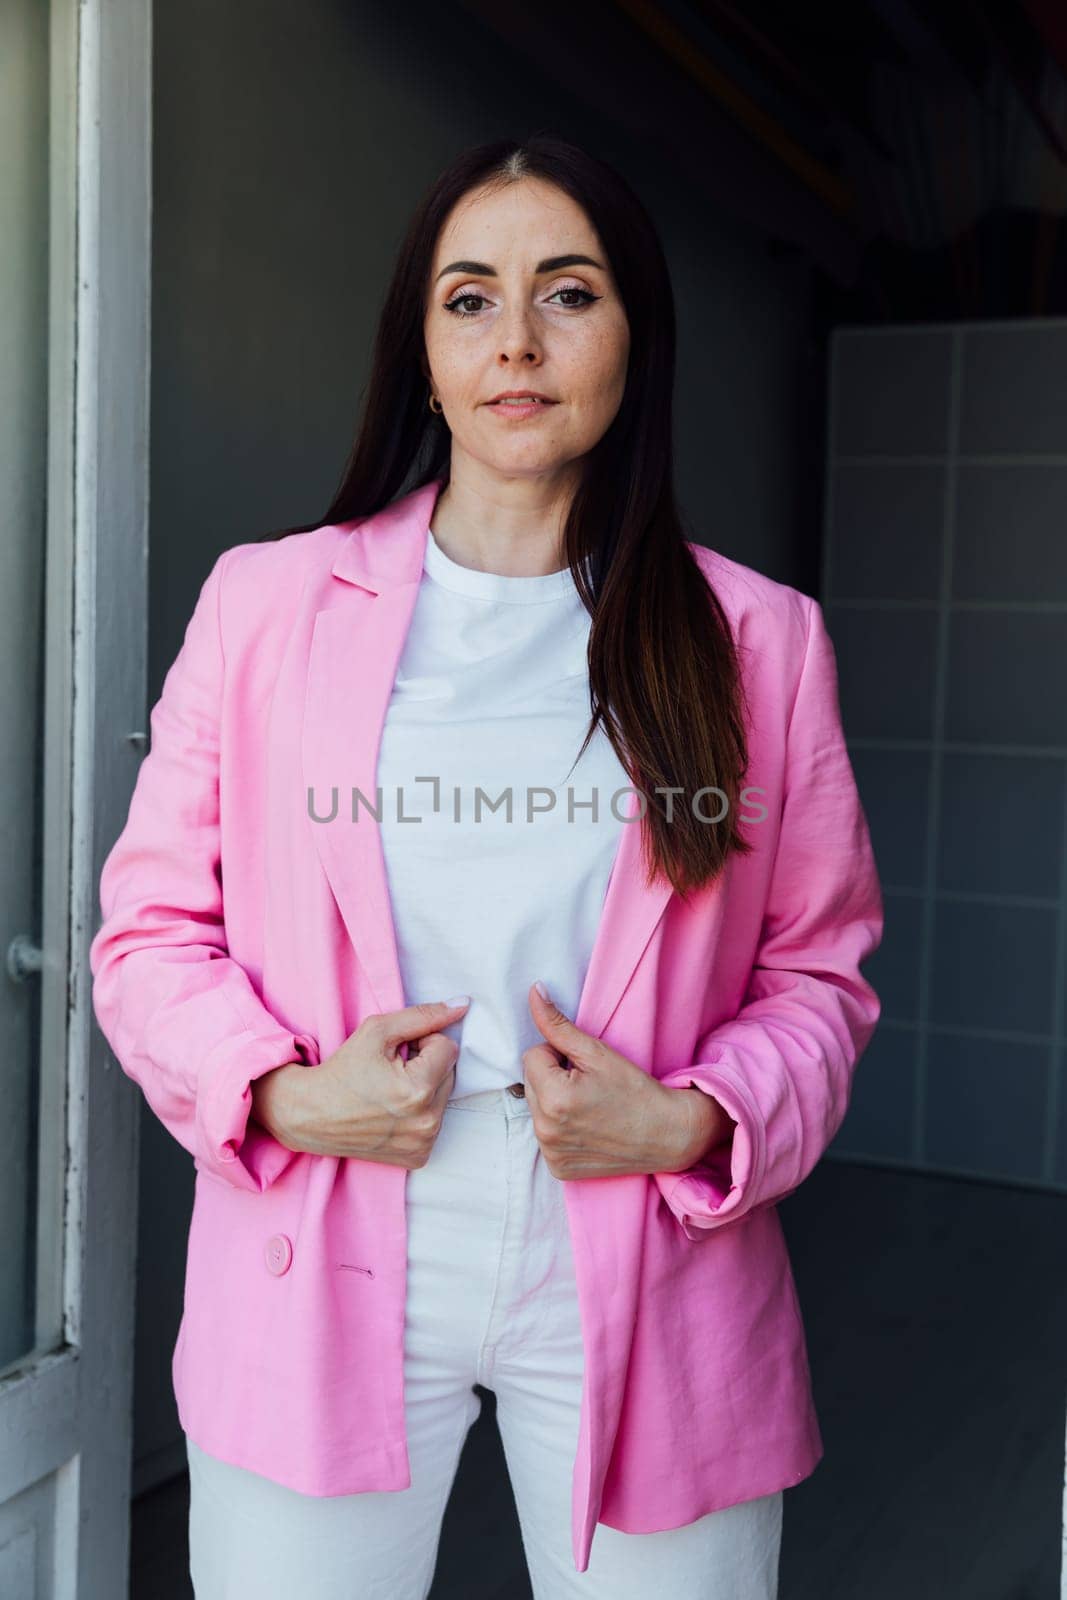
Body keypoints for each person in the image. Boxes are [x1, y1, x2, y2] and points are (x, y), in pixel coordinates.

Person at [89, 133, 883, 1599]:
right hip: (329, 1219)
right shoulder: (265, 608)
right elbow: (146, 933)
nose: (515, 339)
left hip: (647, 1240)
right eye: (470, 298)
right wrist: (281, 1090)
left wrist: (698, 1122)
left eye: (567, 293)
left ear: (635, 334)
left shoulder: (757, 641)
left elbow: (818, 975)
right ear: (424, 346)